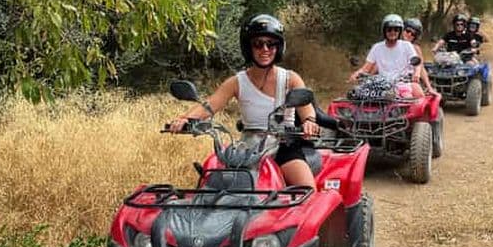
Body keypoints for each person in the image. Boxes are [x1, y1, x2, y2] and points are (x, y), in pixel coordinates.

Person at [168, 14, 321, 190]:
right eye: (258, 44)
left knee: (308, 191)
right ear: (249, 47)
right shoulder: (237, 82)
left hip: (283, 145)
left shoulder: (290, 79)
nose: (265, 49)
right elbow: (209, 105)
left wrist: (309, 123)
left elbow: (306, 110)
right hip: (247, 148)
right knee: (211, 186)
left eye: (271, 44)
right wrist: (185, 119)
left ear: (278, 47)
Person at [349, 14, 424, 98]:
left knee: (415, 99)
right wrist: (356, 74)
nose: (392, 32)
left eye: (396, 29)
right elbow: (366, 68)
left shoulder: (406, 46)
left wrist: (417, 73)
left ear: (400, 31)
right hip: (381, 86)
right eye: (389, 29)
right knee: (357, 98)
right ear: (384, 31)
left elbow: (416, 62)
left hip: (402, 84)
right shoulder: (377, 47)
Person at [402, 18, 435, 93]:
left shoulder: (416, 49)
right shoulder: (392, 44)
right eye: (408, 31)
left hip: (408, 81)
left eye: (413, 34)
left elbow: (421, 68)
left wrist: (429, 87)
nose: (409, 34)